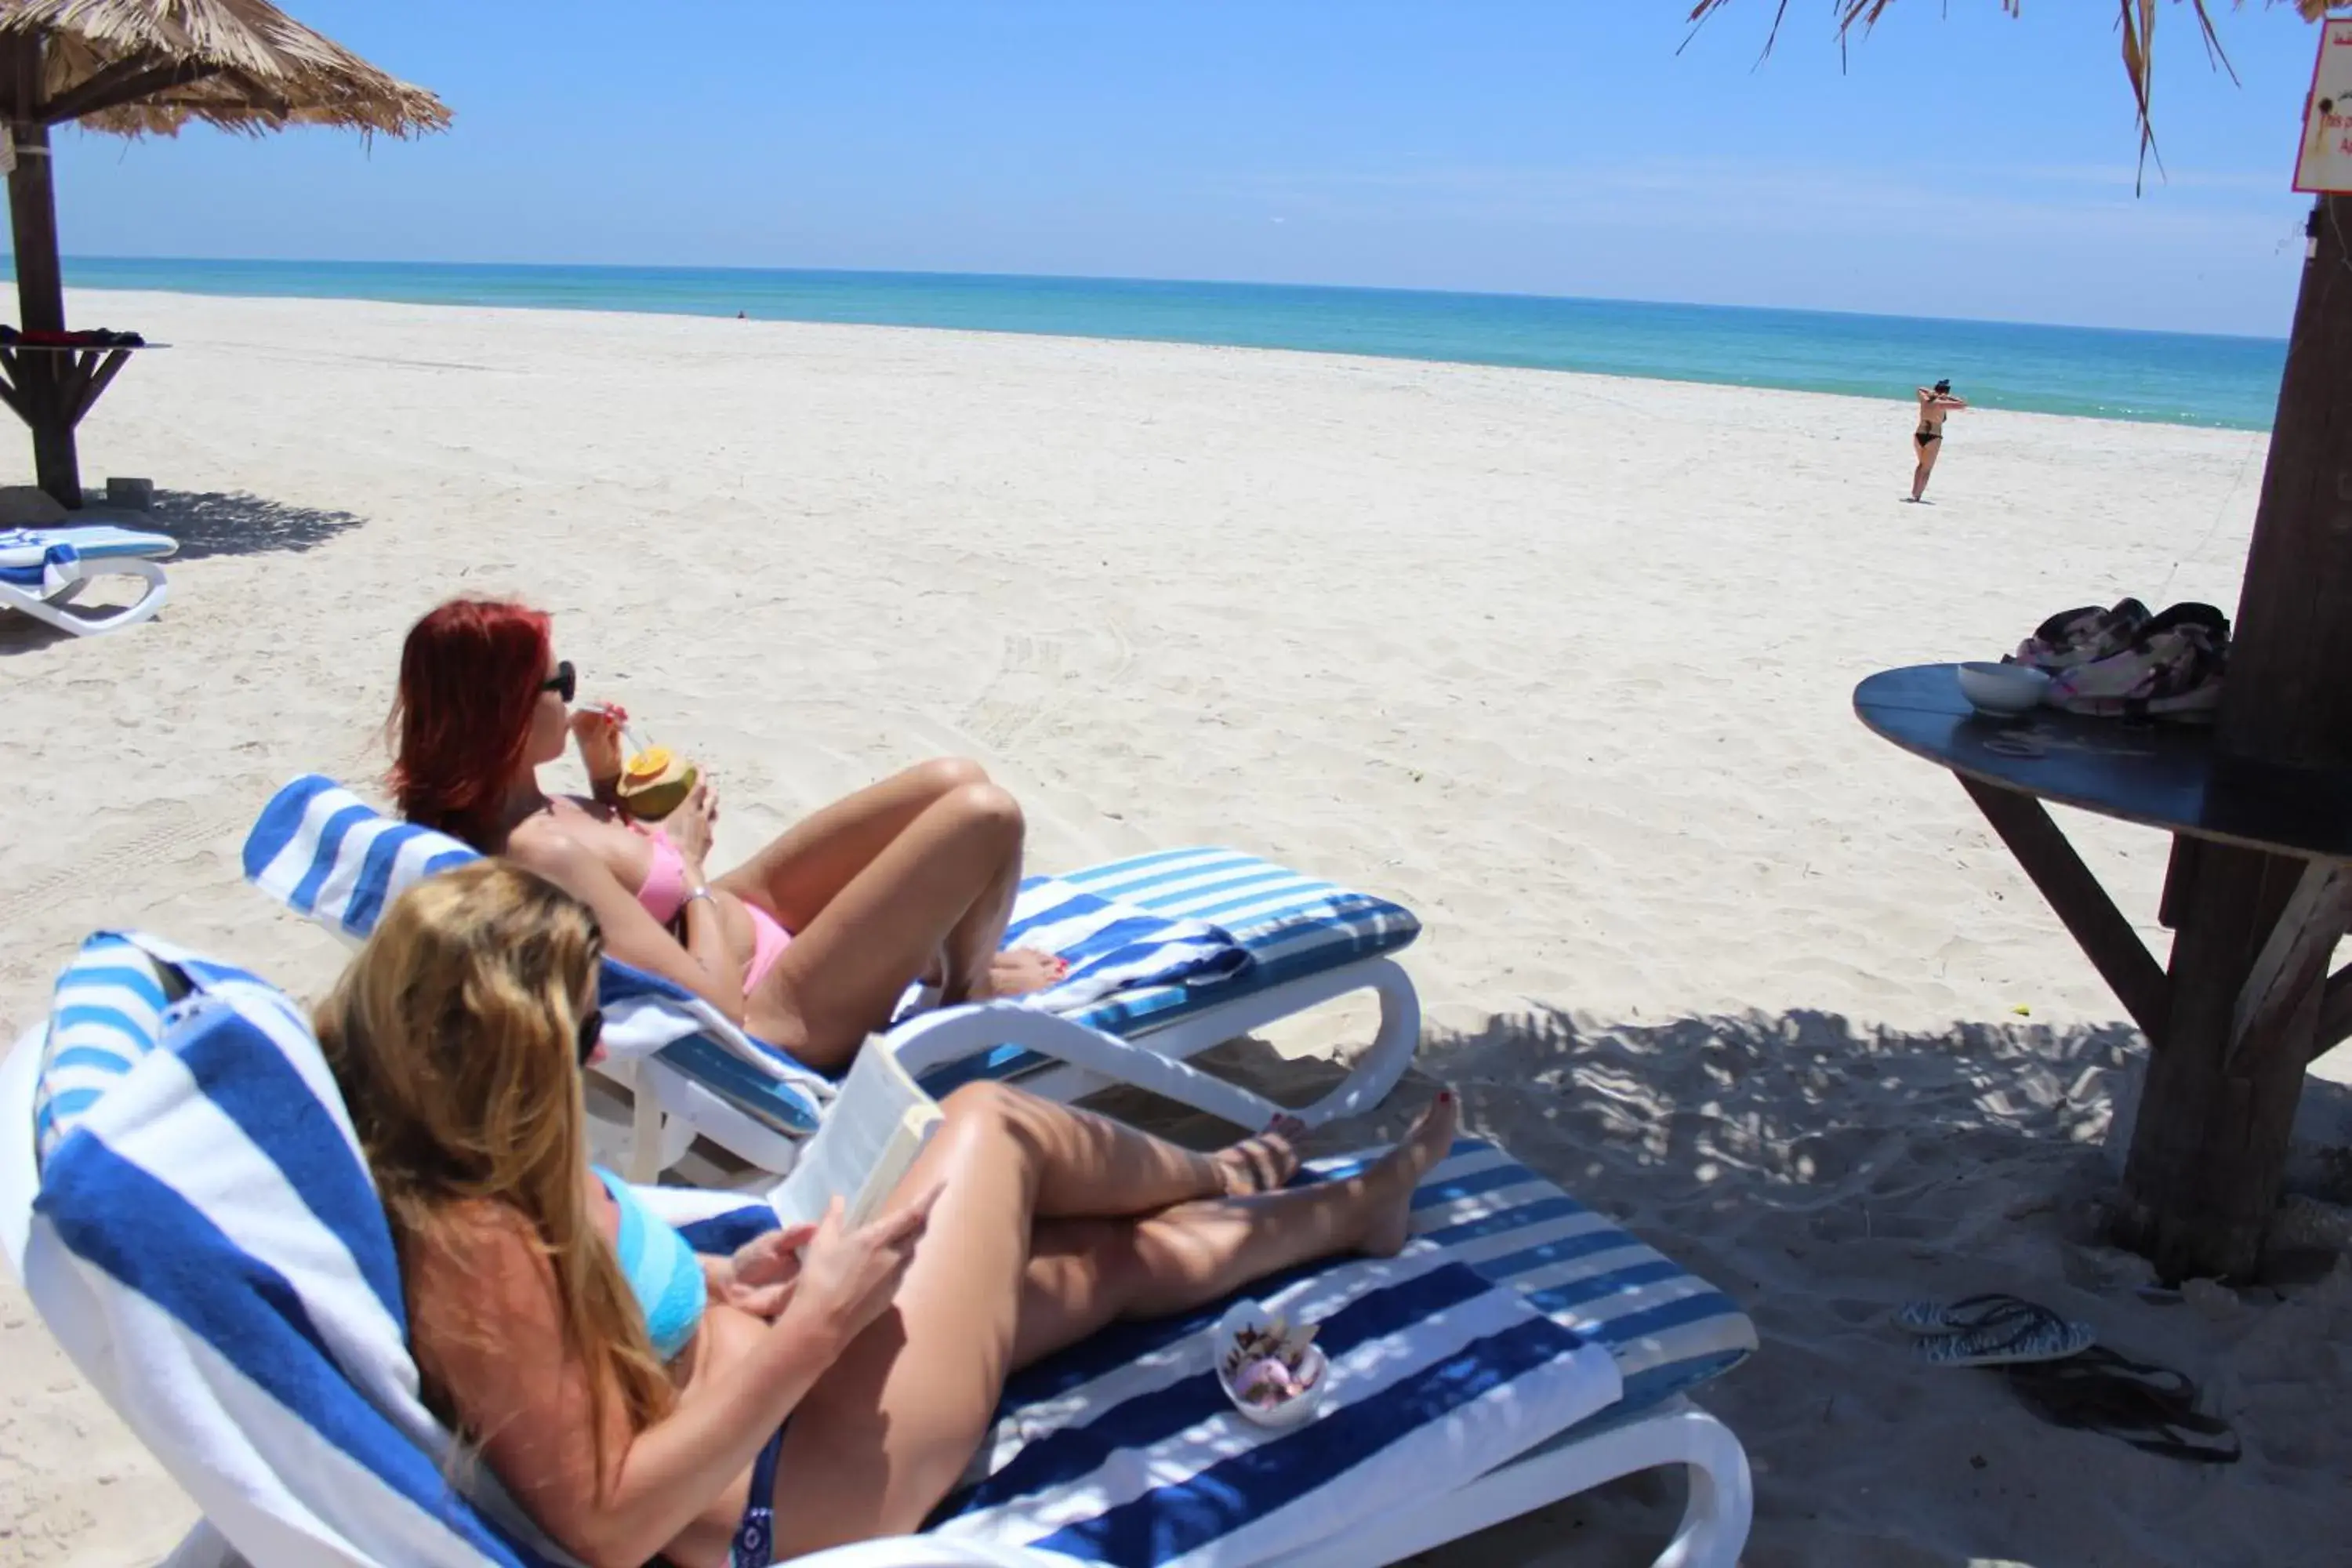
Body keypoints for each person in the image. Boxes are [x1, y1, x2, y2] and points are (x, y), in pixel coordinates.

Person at [319, 859, 1457, 1566]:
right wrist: (816, 1324)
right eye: (575, 1035)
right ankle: (1233, 1171)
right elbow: (608, 1529)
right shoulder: (472, 1251)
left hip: (779, 1387)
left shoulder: (489, 1155)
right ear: (497, 1058)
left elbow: (615, 1325)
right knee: (991, 1124)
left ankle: (1356, 1211)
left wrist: (728, 1283)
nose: (603, 1047)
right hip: (789, 1505)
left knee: (1093, 1266)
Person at [390, 597, 1067, 1073]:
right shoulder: (543, 856)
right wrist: (684, 865)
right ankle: (964, 991)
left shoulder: (509, 809)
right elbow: (709, 1002)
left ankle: (925, 957)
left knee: (953, 778)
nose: (571, 695)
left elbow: (620, 907)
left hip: (736, 919)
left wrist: (607, 789)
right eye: (557, 682)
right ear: (504, 710)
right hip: (775, 1010)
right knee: (986, 815)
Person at [1908, 378, 1969, 503]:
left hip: (1919, 435)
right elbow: (1963, 404)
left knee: (1921, 465)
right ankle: (1917, 495)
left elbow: (1919, 389)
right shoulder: (1941, 403)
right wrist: (1947, 397)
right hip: (1933, 437)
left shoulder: (1925, 400)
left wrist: (1933, 393)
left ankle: (1915, 492)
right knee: (1926, 469)